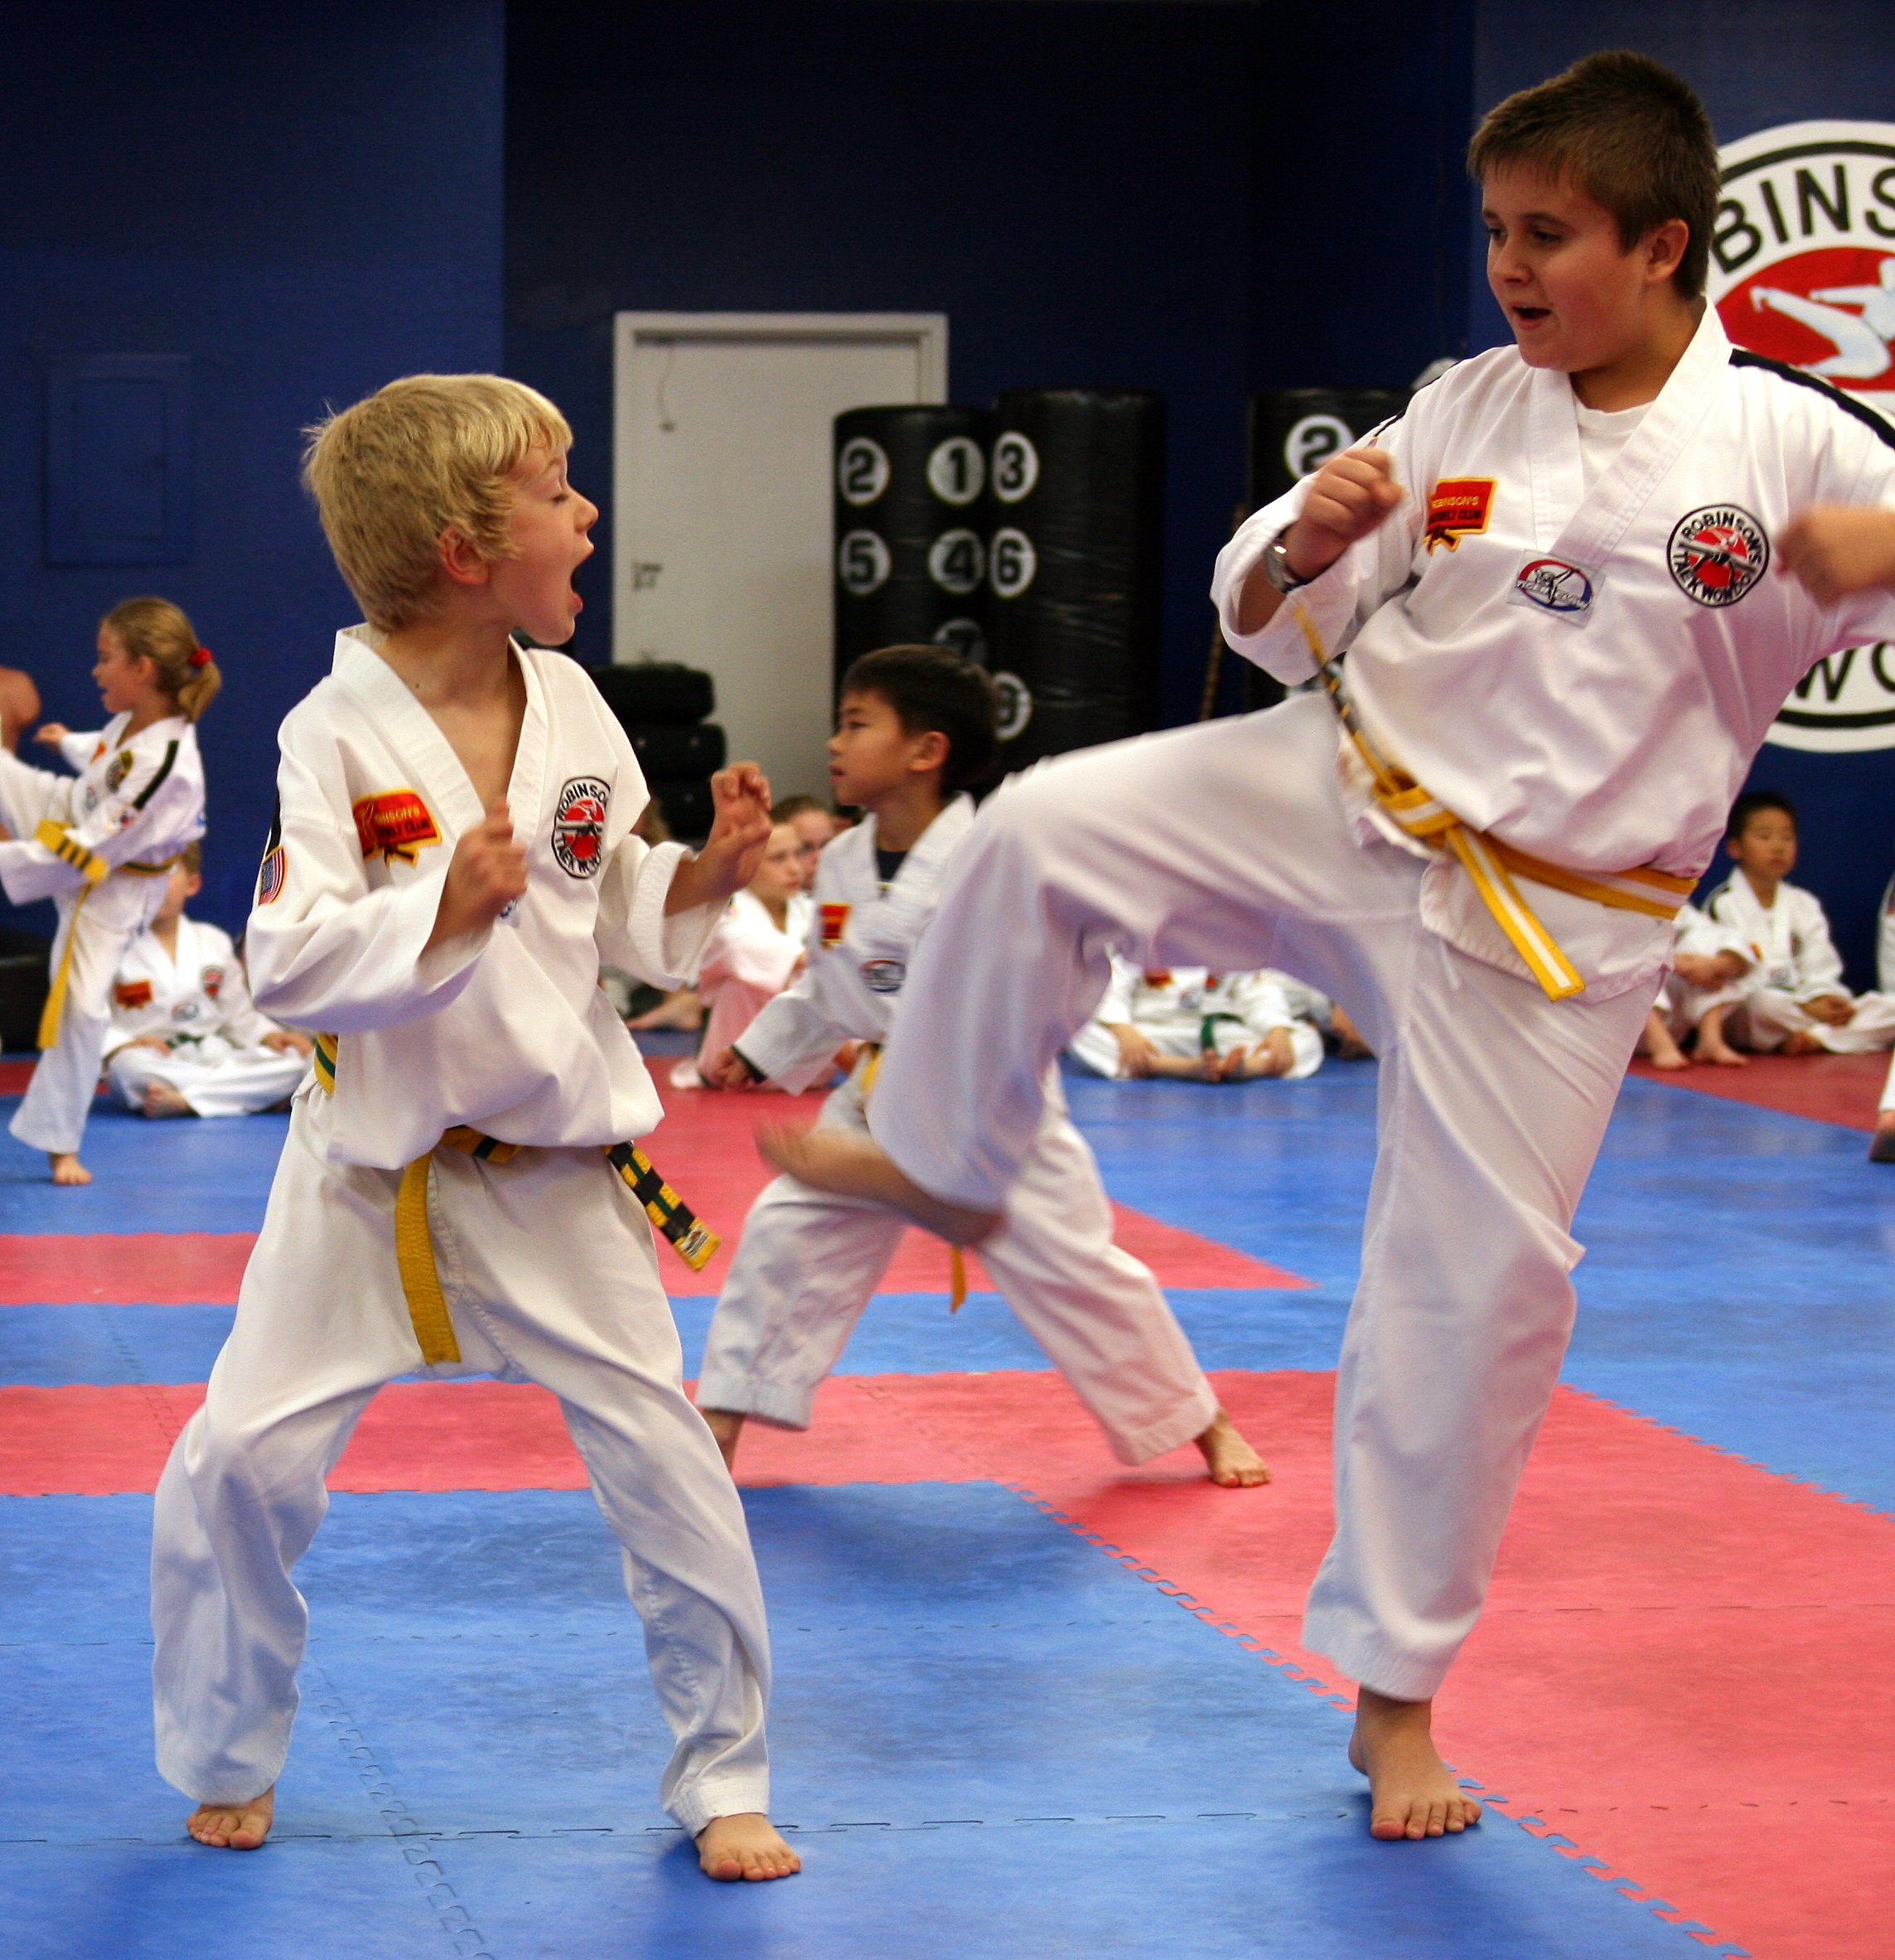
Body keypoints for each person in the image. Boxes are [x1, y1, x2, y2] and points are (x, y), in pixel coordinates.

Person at [757, 51, 1895, 1841]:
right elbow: (1272, 621)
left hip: (1556, 932)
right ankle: (950, 1155)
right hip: (1350, 789)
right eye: (1493, 231)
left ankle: (1395, 1704)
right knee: (1044, 830)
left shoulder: (1788, 449)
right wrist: (1306, 540)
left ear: (1663, 244)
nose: (1507, 267)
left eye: (1548, 235)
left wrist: (1878, 542)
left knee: (1468, 1302)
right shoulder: (1463, 407)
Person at [148, 374, 798, 1884]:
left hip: (554, 1177)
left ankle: (726, 1772)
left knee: (672, 1469)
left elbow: (610, 896)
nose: (588, 514)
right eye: (557, 494)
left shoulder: (571, 704)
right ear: (462, 550)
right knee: (234, 1462)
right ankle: (230, 1749)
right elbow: (284, 959)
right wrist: (438, 911)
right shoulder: (332, 735)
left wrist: (705, 878)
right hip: (363, 1182)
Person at [694, 645, 1269, 1489]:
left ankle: (1200, 1419)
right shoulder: (844, 861)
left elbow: (1034, 983)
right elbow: (833, 983)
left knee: (1077, 1271)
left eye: (856, 724)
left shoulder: (993, 855)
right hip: (875, 1095)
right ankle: (719, 1422)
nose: (834, 743)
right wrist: (760, 1048)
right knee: (785, 1234)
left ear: (926, 751)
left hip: (994, 1094)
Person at [0, 599, 213, 1183]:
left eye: (105, 659)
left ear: (143, 669)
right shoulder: (136, 721)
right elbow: (109, 758)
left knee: (81, 1009)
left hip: (109, 887)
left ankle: (60, 1144)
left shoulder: (169, 765)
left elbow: (91, 851)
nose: (95, 671)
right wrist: (69, 742)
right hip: (73, 817)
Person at [103, 844, 312, 1117]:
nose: (152, 885)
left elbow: (239, 1015)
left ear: (192, 884)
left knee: (297, 1063)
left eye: (166, 873)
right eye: (143, 875)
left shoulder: (213, 941)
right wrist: (123, 1044)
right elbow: (92, 1016)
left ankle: (186, 1101)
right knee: (127, 1069)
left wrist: (268, 1035)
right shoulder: (110, 946)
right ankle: (240, 1096)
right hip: (156, 1059)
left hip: (216, 1053)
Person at [1699, 791, 1895, 1057]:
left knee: (1889, 1008)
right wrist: (1804, 1007)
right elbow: (1733, 978)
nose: (1778, 847)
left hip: (1804, 1005)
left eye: (1787, 837)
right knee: (1763, 1004)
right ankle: (1829, 1036)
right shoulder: (1722, 904)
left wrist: (1822, 996)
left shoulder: (1804, 903)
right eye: (1765, 837)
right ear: (1735, 847)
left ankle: (1814, 1037)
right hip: (1751, 1009)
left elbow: (1820, 965)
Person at [670, 816, 813, 1087]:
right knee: (743, 982)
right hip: (732, 1053)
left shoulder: (811, 910)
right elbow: (733, 944)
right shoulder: (723, 909)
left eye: (799, 854)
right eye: (778, 859)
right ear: (744, 864)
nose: (795, 868)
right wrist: (802, 959)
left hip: (804, 1064)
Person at [1067, 955, 1325, 1081]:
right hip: (1152, 1036)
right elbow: (1113, 984)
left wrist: (1276, 1029)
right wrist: (1124, 1031)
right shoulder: (1141, 934)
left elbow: (1256, 991)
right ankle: (1171, 1066)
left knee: (1305, 1038)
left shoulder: (1229, 937)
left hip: (1220, 1033)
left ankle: (1251, 1066)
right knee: (1079, 1032)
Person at [1633, 902, 1751, 1069]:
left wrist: (1715, 965)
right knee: (1635, 960)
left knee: (1704, 938)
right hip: (1626, 1026)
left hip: (1673, 1017)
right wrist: (1674, 961)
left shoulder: (1676, 905)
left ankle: (1710, 1040)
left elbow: (1721, 934)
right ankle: (1660, 1044)